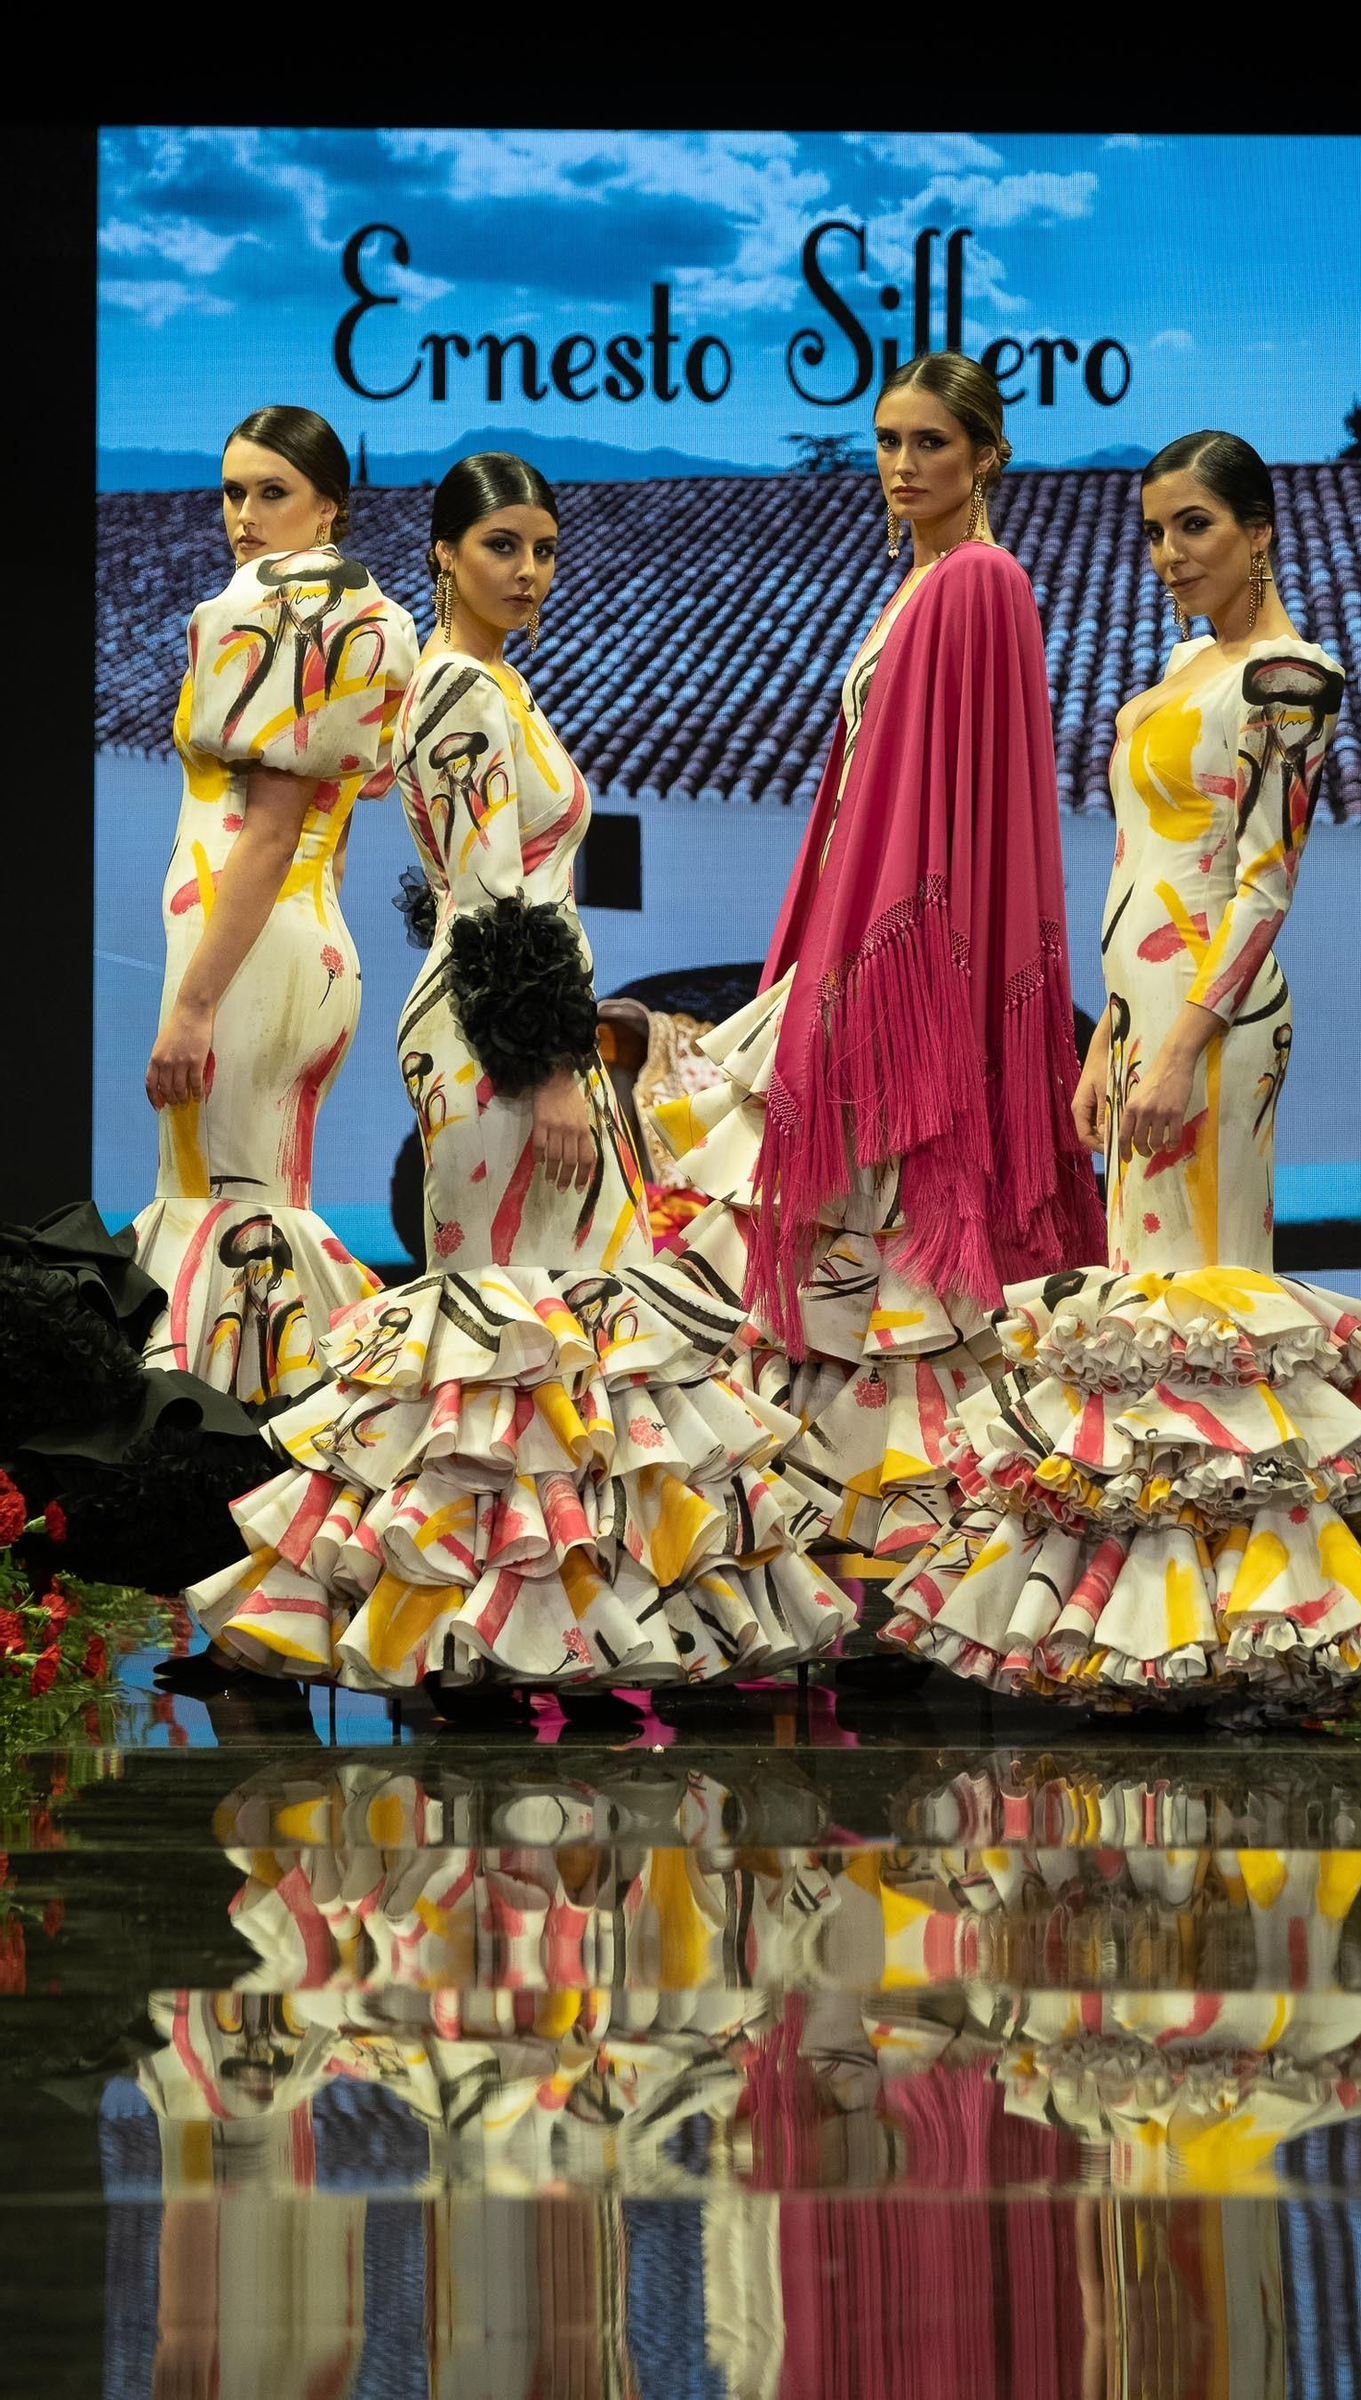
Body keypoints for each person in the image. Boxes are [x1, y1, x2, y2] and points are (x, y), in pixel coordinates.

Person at [189, 454, 848, 1690]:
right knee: (499, 1327)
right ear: (443, 554)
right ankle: (444, 1629)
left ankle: (529, 1629)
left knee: (556, 1333)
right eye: (502, 545)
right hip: (494, 1044)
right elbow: (492, 894)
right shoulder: (455, 692)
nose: (529, 570)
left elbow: (514, 888)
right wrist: (549, 1068)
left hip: (520, 1027)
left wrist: (576, 1035)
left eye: (543, 548)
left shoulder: (495, 685)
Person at [882, 430, 1361, 1702]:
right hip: (1145, 1015)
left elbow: (1265, 884)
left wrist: (1176, 1043)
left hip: (1217, 1024)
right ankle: (1165, 1631)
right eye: (1155, 529)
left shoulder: (1288, 675)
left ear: (1259, 528)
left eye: (1195, 527)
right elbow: (1134, 866)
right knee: (1145, 1320)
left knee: (1205, 1318)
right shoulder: (1184, 666)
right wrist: (1107, 1036)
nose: (1168, 554)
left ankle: (1249, 1635)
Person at [654, 354, 1103, 1611]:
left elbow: (960, 808)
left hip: (911, 959)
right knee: (836, 1254)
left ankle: (935, 1565)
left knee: (903, 1258)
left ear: (986, 457)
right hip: (857, 945)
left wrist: (891, 972)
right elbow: (861, 795)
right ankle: (861, 1560)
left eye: (931, 445)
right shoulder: (910, 584)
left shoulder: (978, 580)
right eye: (888, 442)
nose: (902, 466)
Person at [135, 405, 417, 1403]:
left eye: (273, 494)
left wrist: (196, 1002)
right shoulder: (372, 619)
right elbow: (322, 849)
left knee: (218, 1223)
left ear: (330, 509)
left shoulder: (281, 609)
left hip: (243, 957)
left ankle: (224, 1496)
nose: (245, 518)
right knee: (258, 1217)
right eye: (233, 492)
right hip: (306, 945)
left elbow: (264, 830)